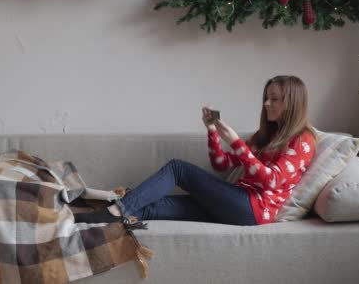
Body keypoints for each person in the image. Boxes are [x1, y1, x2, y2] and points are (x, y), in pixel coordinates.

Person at [74, 75, 317, 226]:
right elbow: (221, 164)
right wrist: (212, 130)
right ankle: (86, 218)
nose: (266, 103)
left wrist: (236, 142)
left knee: (178, 168)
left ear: (291, 102)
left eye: (274, 99)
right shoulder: (266, 136)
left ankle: (116, 210)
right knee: (152, 207)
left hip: (253, 210)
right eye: (267, 97)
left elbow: (271, 180)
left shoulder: (303, 141)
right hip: (234, 203)